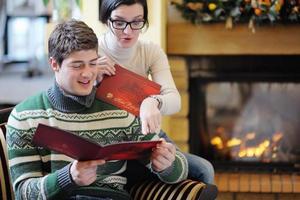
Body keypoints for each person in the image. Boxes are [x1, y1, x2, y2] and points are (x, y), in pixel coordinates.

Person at [6, 19, 188, 200]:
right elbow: (22, 193)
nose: (87, 74)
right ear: (54, 64)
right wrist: (67, 177)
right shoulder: (25, 117)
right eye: (77, 66)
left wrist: (167, 165)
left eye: (93, 63)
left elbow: (180, 170)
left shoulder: (120, 109)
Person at [97, 0, 214, 184]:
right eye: (119, 23)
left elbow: (175, 100)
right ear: (105, 20)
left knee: (203, 170)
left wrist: (153, 102)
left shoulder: (150, 51)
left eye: (136, 22)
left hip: (144, 137)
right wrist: (89, 73)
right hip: (108, 141)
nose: (128, 31)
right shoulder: (91, 53)